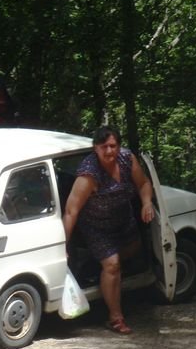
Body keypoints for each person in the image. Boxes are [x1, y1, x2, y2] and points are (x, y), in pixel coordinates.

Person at [62, 126, 155, 335]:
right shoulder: (89, 173)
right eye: (104, 147)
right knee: (112, 265)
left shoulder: (126, 159)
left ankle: (99, 269)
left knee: (133, 250)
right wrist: (64, 244)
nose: (109, 151)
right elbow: (71, 210)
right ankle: (115, 317)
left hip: (124, 220)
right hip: (97, 227)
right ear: (95, 148)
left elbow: (143, 184)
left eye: (113, 146)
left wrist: (147, 203)